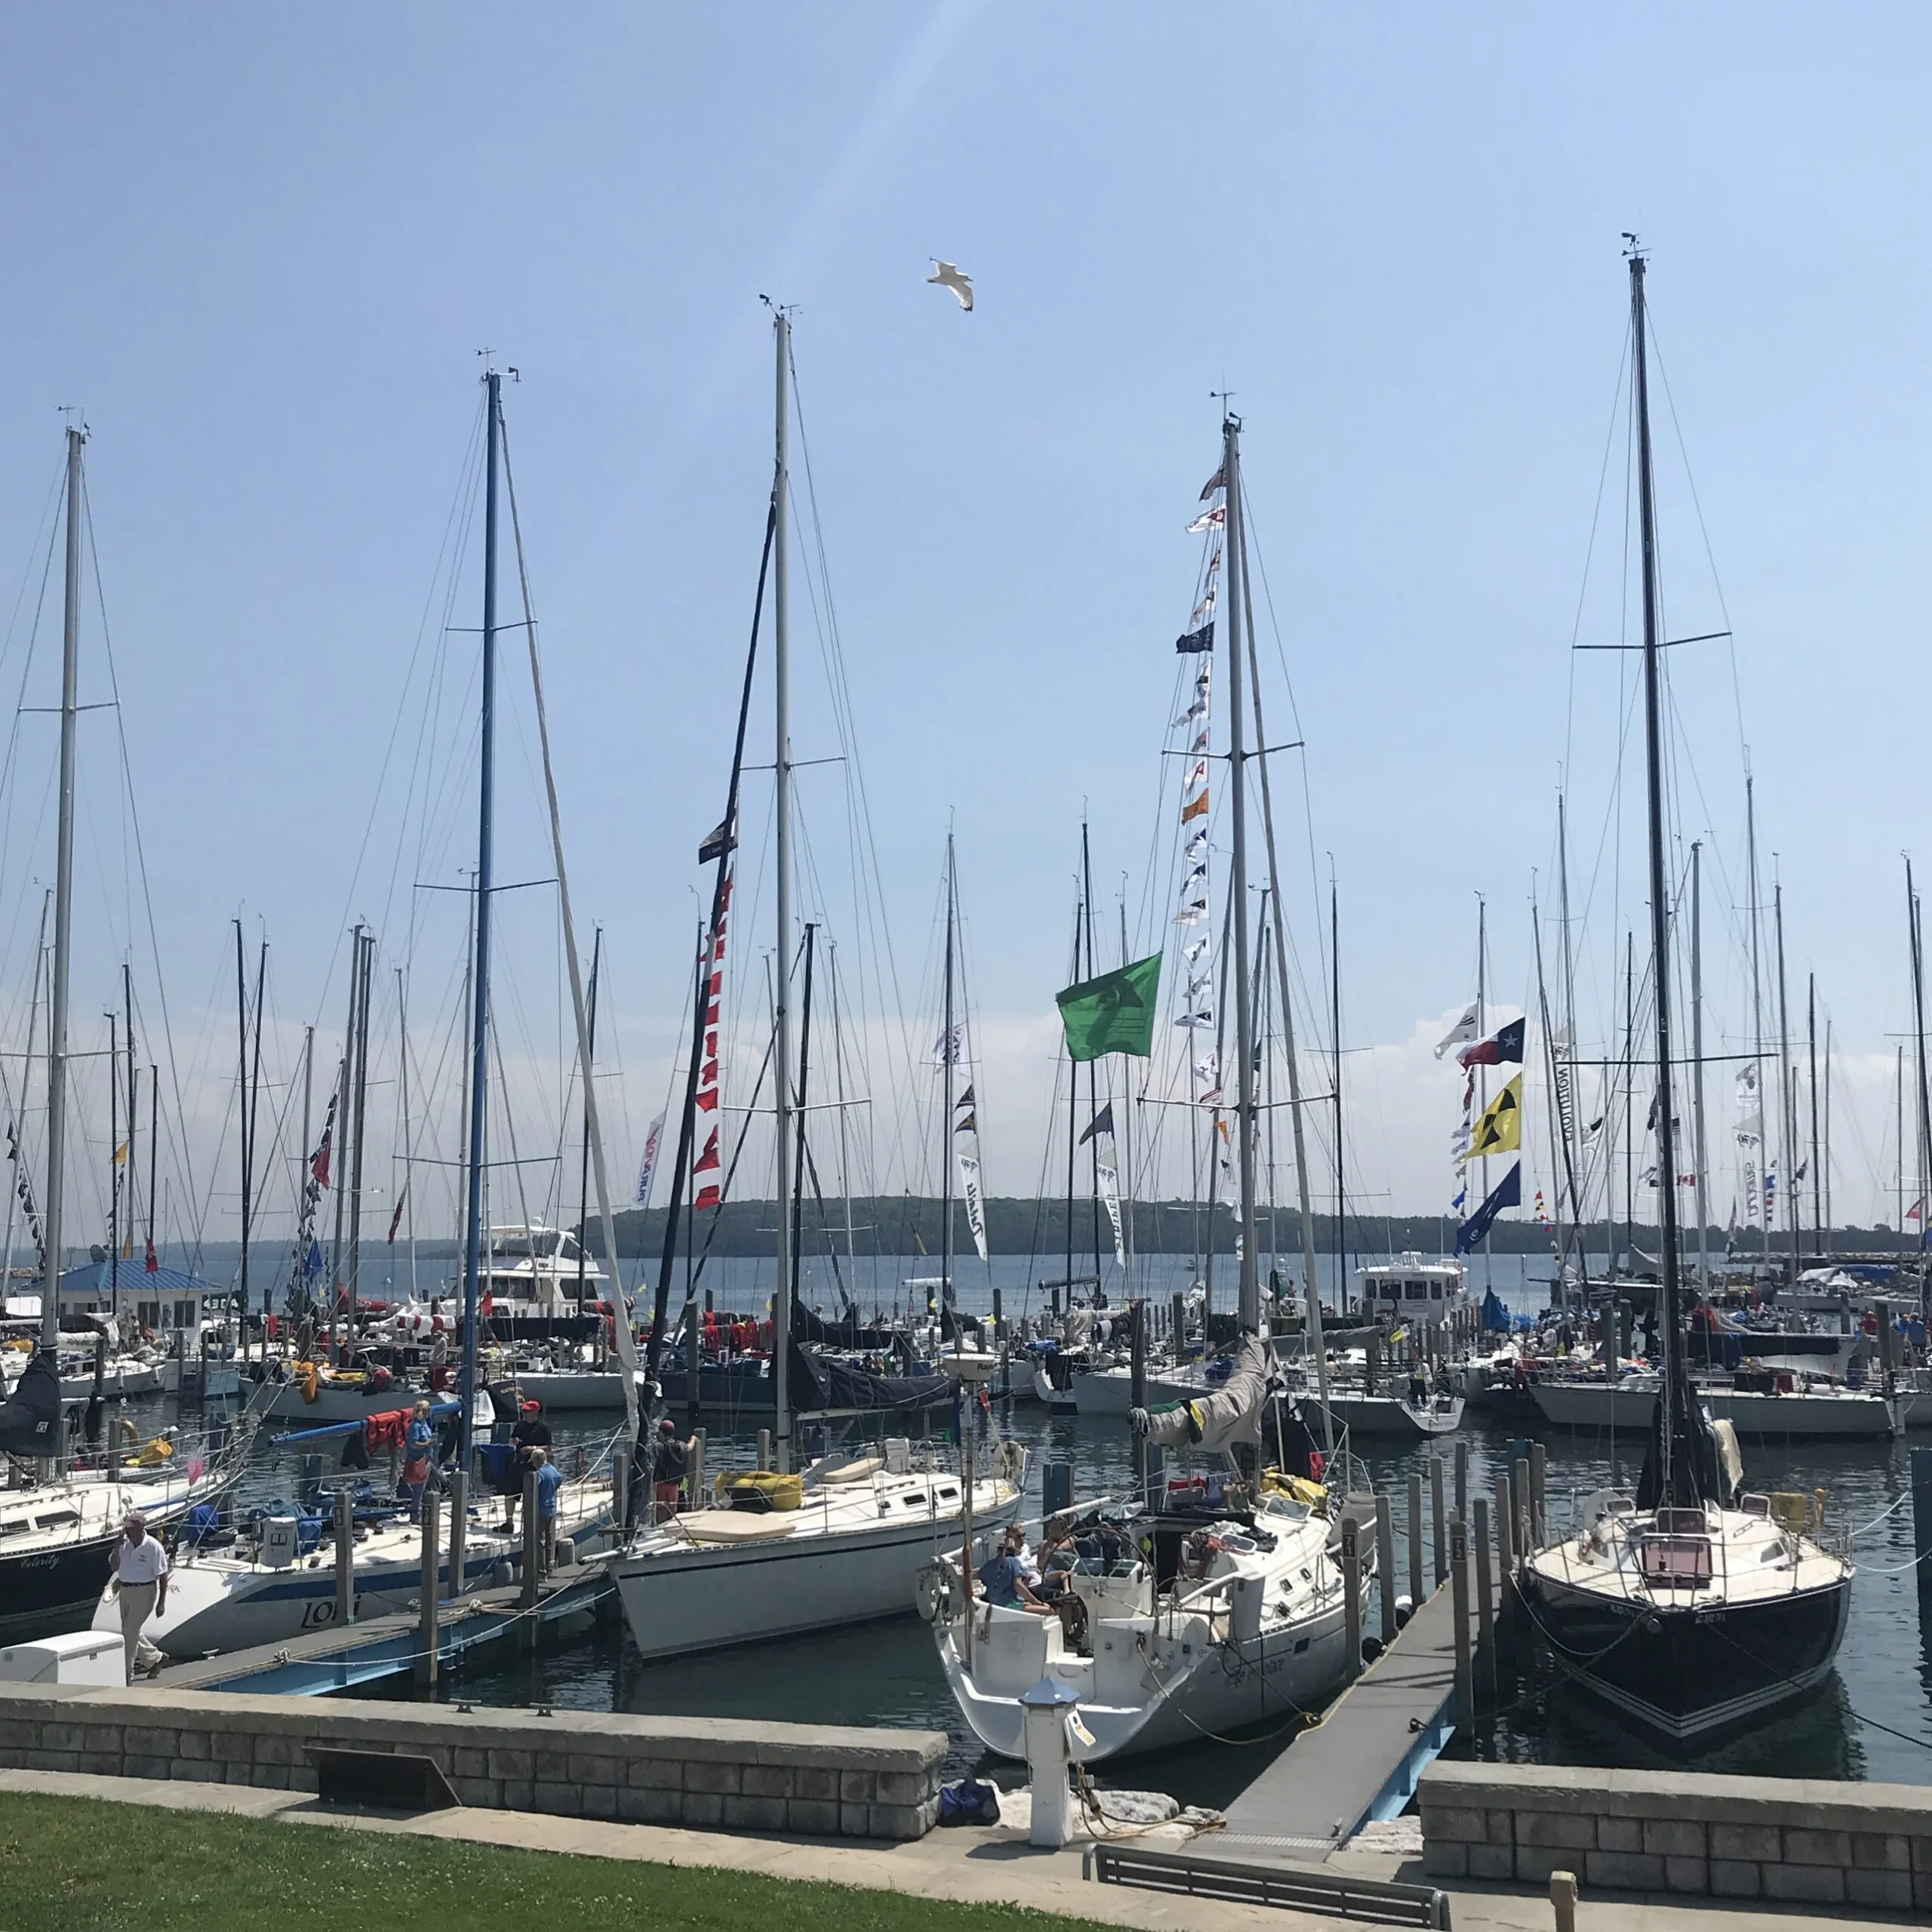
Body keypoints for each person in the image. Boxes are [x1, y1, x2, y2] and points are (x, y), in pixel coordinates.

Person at [109, 1512, 169, 1682]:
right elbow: (114, 1566)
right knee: (131, 1631)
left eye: (130, 1529)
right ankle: (156, 1659)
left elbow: (162, 1575)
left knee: (129, 1632)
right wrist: (116, 1548)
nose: (127, 1532)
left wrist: (161, 1602)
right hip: (125, 1590)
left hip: (145, 1591)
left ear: (141, 1528)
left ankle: (127, 1675)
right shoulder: (124, 1545)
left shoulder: (153, 1546)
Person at [500, 1397, 551, 1534]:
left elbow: (548, 1447)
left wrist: (532, 1448)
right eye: (524, 1411)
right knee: (509, 1494)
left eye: (527, 1412)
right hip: (518, 1464)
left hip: (534, 1467)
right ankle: (509, 1523)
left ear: (535, 1412)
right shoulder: (520, 1425)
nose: (525, 1414)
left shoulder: (542, 1427)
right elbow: (511, 1440)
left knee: (531, 1496)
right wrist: (514, 1441)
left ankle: (530, 1525)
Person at [977, 1524, 1048, 1613]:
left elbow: (976, 1576)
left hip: (992, 1605)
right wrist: (1035, 1601)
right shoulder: (1014, 1562)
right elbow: (1018, 1585)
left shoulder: (989, 1565)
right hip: (1009, 1606)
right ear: (1013, 1550)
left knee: (1027, 1604)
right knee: (1049, 1610)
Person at [652, 1418, 696, 1518]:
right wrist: (693, 1438)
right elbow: (690, 1447)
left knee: (660, 1511)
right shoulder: (681, 1445)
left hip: (660, 1484)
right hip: (674, 1485)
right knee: (672, 1511)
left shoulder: (658, 1446)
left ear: (661, 1432)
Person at [531, 1447, 564, 1577]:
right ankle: (550, 1567)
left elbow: (533, 1488)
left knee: (540, 1541)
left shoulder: (539, 1474)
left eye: (534, 1461)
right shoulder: (553, 1470)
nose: (533, 1463)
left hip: (540, 1510)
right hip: (551, 1509)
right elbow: (560, 1480)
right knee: (550, 1540)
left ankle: (541, 1571)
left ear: (538, 1460)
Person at [401, 1400, 435, 1519]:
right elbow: (413, 1444)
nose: (430, 1410)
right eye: (428, 1409)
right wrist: (427, 1443)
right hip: (418, 1460)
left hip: (426, 1459)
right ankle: (415, 1515)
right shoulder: (415, 1426)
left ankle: (417, 1511)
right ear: (423, 1411)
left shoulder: (424, 1423)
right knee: (418, 1490)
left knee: (423, 1488)